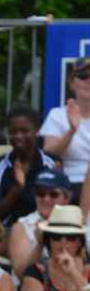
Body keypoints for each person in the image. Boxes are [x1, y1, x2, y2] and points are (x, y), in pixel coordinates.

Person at [0, 105, 58, 227]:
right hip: (7, 232)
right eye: (13, 132)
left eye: (24, 131)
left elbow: (59, 206)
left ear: (37, 131)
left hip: (44, 229)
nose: (18, 136)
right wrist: (17, 188)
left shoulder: (52, 163)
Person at [9, 168, 80, 274]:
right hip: (28, 287)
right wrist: (40, 244)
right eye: (40, 193)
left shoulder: (77, 224)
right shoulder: (22, 226)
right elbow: (20, 273)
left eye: (53, 194)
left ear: (67, 198)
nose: (46, 199)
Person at [40, 56, 90, 193]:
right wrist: (71, 131)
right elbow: (49, 153)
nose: (89, 80)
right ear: (72, 84)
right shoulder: (57, 115)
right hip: (68, 183)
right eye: (83, 76)